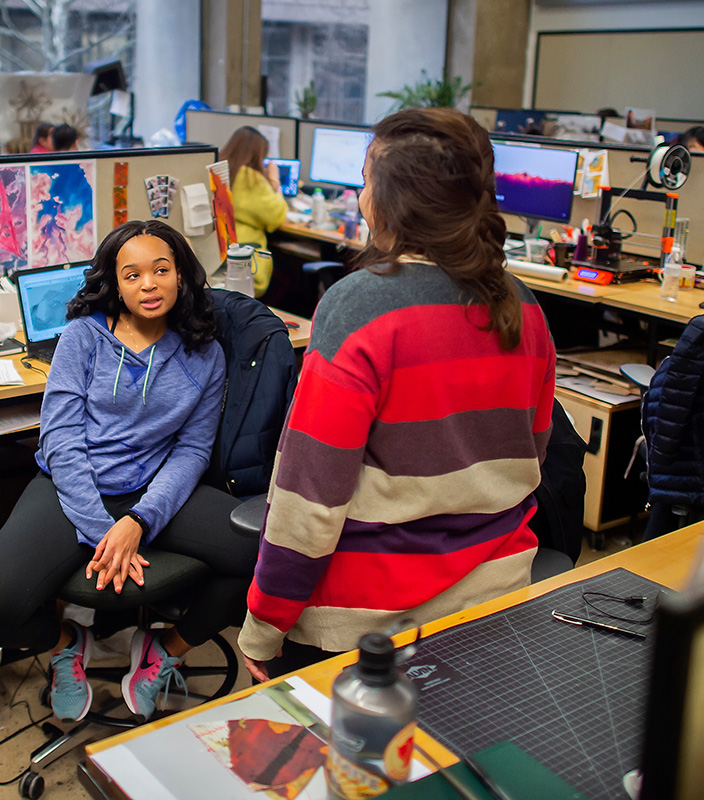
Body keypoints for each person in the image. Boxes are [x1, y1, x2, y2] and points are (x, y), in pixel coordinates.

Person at [239, 107, 557, 681]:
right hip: (497, 597)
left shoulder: (360, 307)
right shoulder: (524, 305)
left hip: (369, 624)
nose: (360, 198)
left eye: (366, 182)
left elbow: (310, 496)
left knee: (354, 769)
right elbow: (531, 456)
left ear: (393, 203)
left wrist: (265, 625)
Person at [0, 220, 257, 722]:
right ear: (114, 283)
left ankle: (164, 650)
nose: (148, 284)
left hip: (155, 490)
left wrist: (139, 522)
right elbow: (60, 440)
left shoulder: (205, 352)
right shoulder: (83, 338)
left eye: (161, 270)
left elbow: (191, 451)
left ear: (180, 275)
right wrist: (103, 532)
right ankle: (68, 643)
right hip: (70, 486)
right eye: (132, 274)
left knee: (271, 550)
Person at [218, 126, 287, 297]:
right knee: (288, 276)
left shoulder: (220, 171)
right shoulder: (251, 179)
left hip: (220, 257)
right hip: (247, 263)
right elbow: (276, 217)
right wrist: (274, 179)